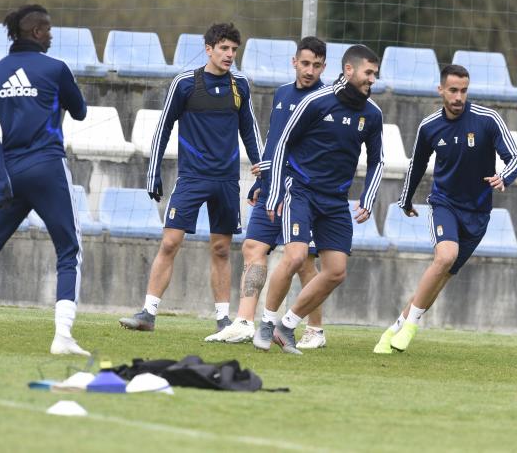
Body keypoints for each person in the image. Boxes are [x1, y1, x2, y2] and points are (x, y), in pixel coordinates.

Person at [118, 23, 263, 333]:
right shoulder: (184, 83)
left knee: (222, 249)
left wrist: (261, 173)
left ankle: (223, 319)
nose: (229, 55)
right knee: (170, 242)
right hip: (192, 178)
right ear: (208, 49)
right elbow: (163, 127)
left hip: (226, 181)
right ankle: (148, 313)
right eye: (224, 48)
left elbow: (250, 130)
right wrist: (153, 169)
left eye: (234, 50)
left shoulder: (241, 85)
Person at [373, 64, 517, 354]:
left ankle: (394, 329)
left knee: (440, 278)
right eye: (453, 90)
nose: (458, 97)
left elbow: (515, 157)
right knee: (445, 256)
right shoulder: (429, 127)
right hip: (444, 204)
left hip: (478, 214)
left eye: (463, 91)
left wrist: (504, 177)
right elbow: (416, 165)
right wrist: (406, 200)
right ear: (440, 90)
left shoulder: (487, 120)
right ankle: (413, 327)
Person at [252, 44, 384, 354]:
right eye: (368, 73)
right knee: (296, 256)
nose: (372, 79)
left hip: (335, 202)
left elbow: (377, 160)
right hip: (301, 192)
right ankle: (266, 324)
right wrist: (274, 193)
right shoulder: (316, 102)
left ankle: (286, 326)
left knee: (336, 271)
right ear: (349, 70)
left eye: (375, 74)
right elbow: (283, 143)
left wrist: (368, 196)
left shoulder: (372, 114)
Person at [204, 36, 329, 349]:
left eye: (316, 65)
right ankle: (245, 322)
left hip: (303, 191)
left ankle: (315, 330)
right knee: (253, 247)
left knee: (302, 261)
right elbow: (275, 138)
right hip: (274, 185)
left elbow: (321, 151)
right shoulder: (283, 93)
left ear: (323, 67)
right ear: (294, 62)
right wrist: (263, 181)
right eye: (305, 63)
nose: (309, 70)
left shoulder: (327, 100)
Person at [0, 4, 89, 355]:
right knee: (69, 249)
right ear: (36, 32)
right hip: (47, 168)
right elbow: (80, 110)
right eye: (48, 28)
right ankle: (62, 338)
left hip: (10, 174)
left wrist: (2, 176)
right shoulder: (56, 69)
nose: (52, 34)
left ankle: (64, 338)